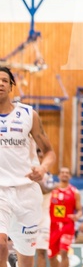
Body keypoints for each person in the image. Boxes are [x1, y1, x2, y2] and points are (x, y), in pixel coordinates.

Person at [0, 66, 56, 267]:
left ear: (11, 86)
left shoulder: (28, 115)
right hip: (0, 192)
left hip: (27, 193)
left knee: (26, 258)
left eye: (5, 80)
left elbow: (49, 152)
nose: (0, 83)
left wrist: (42, 169)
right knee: (0, 244)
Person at [49, 167, 83, 267]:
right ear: (58, 175)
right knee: (52, 255)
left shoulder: (75, 192)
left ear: (70, 176)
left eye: (67, 173)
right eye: (62, 172)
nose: (65, 174)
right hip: (52, 226)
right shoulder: (52, 190)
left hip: (67, 226)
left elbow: (80, 210)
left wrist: (77, 216)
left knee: (64, 252)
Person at [34, 147, 55, 267]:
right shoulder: (25, 172)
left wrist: (36, 177)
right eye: (38, 156)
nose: (40, 159)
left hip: (43, 218)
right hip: (28, 216)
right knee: (25, 251)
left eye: (42, 157)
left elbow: (45, 189)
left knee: (41, 251)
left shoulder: (48, 176)